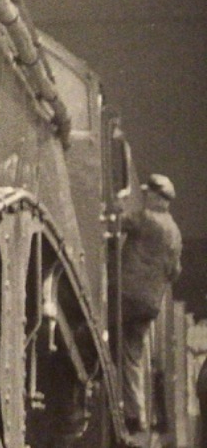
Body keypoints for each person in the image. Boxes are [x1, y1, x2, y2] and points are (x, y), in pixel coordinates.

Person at [120, 173, 183, 438]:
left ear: (158, 198)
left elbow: (115, 222)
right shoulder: (175, 233)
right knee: (134, 355)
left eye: (148, 194)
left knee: (118, 347)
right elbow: (174, 272)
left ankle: (134, 414)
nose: (145, 197)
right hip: (151, 304)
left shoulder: (146, 219)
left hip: (129, 297)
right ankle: (139, 414)